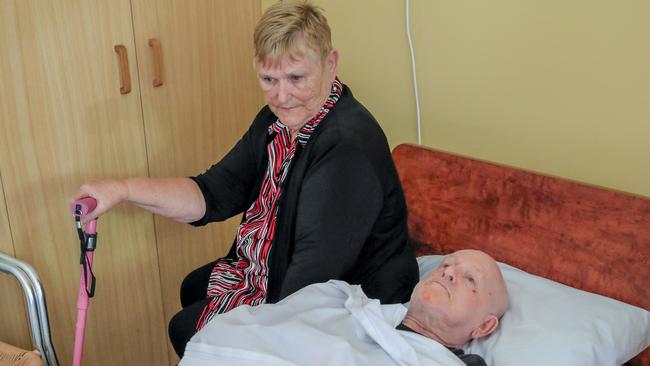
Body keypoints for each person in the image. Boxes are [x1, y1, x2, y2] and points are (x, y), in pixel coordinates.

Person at [71, 0, 419, 357]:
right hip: (284, 266)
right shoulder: (276, 122)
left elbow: (307, 285)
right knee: (193, 287)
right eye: (269, 79)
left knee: (184, 328)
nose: (281, 96)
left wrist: (246, 341)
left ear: (330, 64)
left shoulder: (346, 148)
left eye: (296, 78)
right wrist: (122, 190)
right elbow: (211, 193)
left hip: (347, 295)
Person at [179, 249, 509, 366]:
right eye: (445, 266)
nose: (448, 272)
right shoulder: (359, 310)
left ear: (484, 328)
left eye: (470, 280)